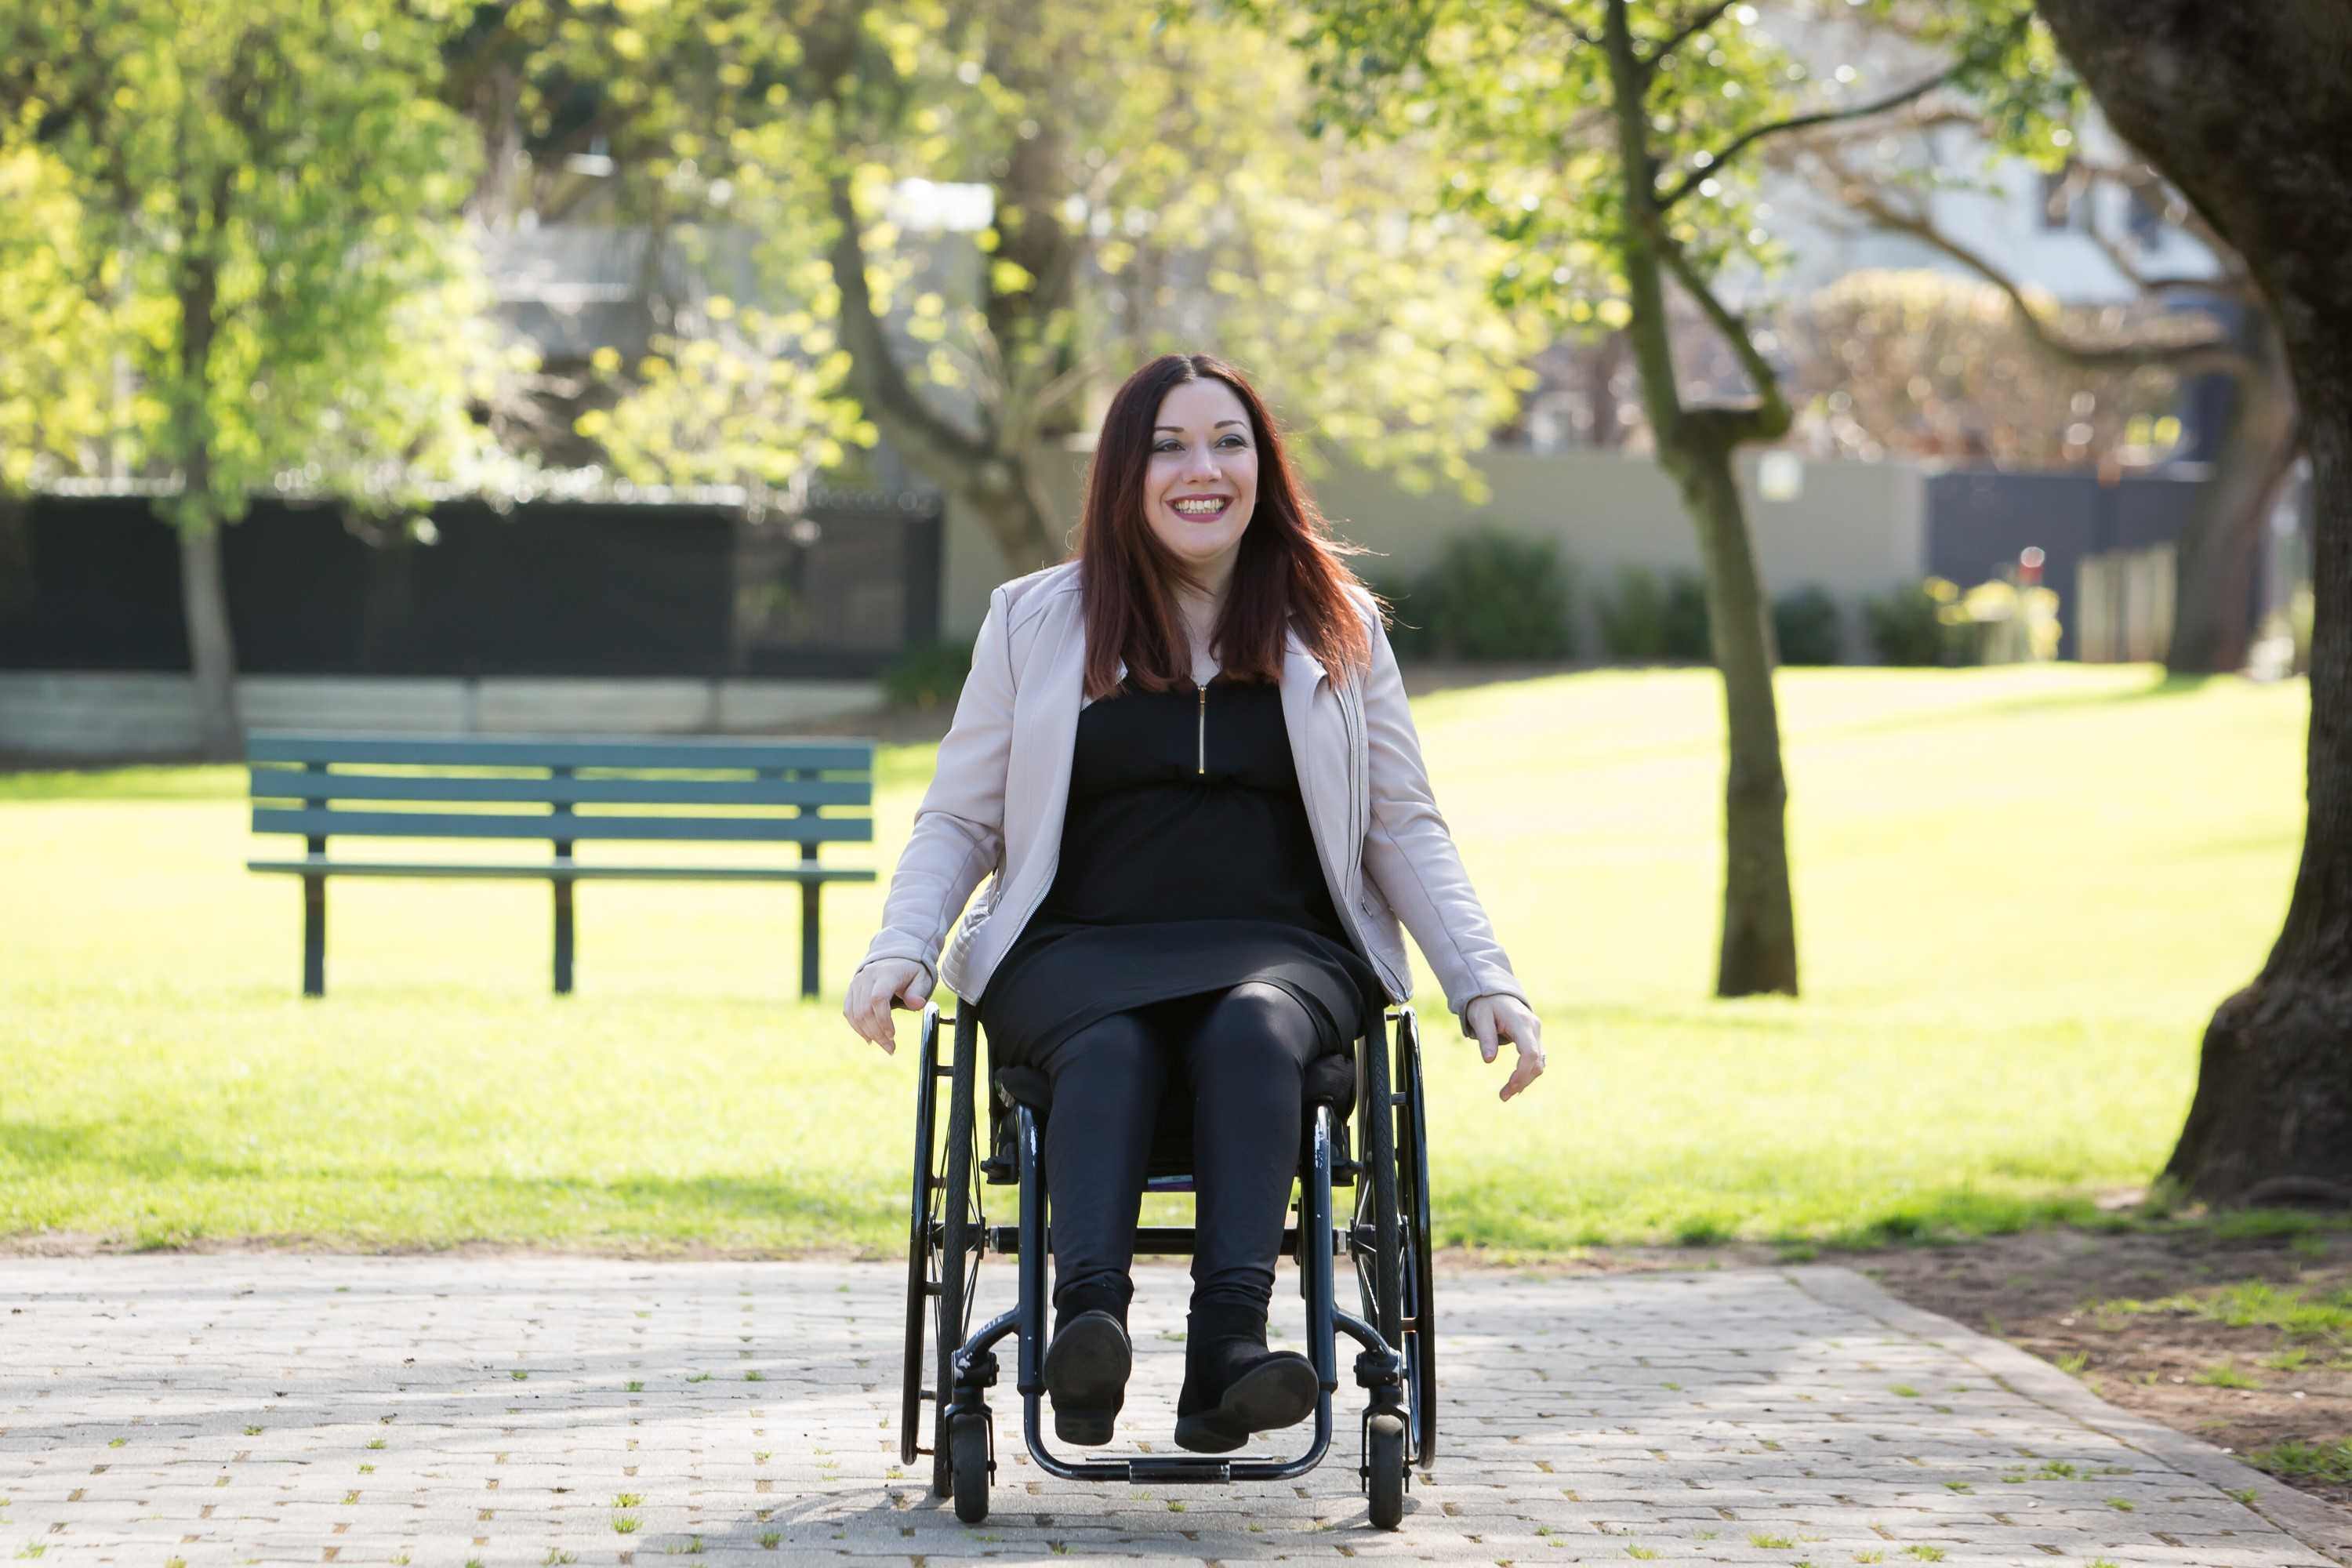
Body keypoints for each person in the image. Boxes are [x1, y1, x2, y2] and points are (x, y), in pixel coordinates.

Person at [844, 352, 1545, 1454]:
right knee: (1112, 1044)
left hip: (1284, 950)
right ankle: (1086, 1333)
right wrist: (904, 945)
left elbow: (1400, 824)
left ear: (1263, 465)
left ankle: (1229, 1352)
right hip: (1073, 947)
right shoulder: (1033, 622)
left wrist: (1482, 979)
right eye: (1167, 445)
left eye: (1227, 442)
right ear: (1124, 472)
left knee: (1254, 1026)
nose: (1200, 469)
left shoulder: (1337, 624)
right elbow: (962, 819)